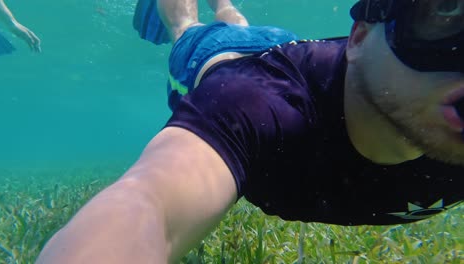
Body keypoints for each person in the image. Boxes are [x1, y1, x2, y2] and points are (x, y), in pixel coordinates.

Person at [36, 0, 463, 263]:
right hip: (220, 59)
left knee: (236, 20)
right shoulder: (254, 107)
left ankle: (225, 4)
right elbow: (148, 203)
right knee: (187, 26)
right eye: (446, 12)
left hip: (285, 43)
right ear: (359, 37)